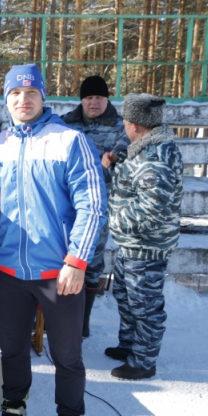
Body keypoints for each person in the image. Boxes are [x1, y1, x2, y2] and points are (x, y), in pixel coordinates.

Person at [0, 64, 105, 416]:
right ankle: (14, 412)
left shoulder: (70, 140)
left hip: (59, 273)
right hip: (10, 270)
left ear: (43, 97)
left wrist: (77, 260)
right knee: (12, 347)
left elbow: (92, 205)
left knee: (67, 355)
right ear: (6, 99)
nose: (23, 99)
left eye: (31, 92)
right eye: (15, 93)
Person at [104, 94, 182, 380]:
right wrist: (116, 164)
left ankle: (143, 361)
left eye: (125, 121)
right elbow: (135, 181)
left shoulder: (154, 157)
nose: (124, 126)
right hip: (133, 243)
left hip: (146, 245)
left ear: (134, 125)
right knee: (125, 296)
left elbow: (151, 205)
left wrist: (114, 220)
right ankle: (129, 345)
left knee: (145, 305)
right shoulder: (145, 147)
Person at [61, 76, 129, 337]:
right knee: (61, 258)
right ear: (81, 100)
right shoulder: (66, 123)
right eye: (89, 98)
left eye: (99, 98)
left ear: (107, 100)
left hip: (99, 207)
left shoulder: (120, 127)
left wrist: (111, 163)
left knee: (91, 261)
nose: (93, 103)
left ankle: (83, 321)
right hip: (66, 206)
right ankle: (59, 316)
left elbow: (125, 159)